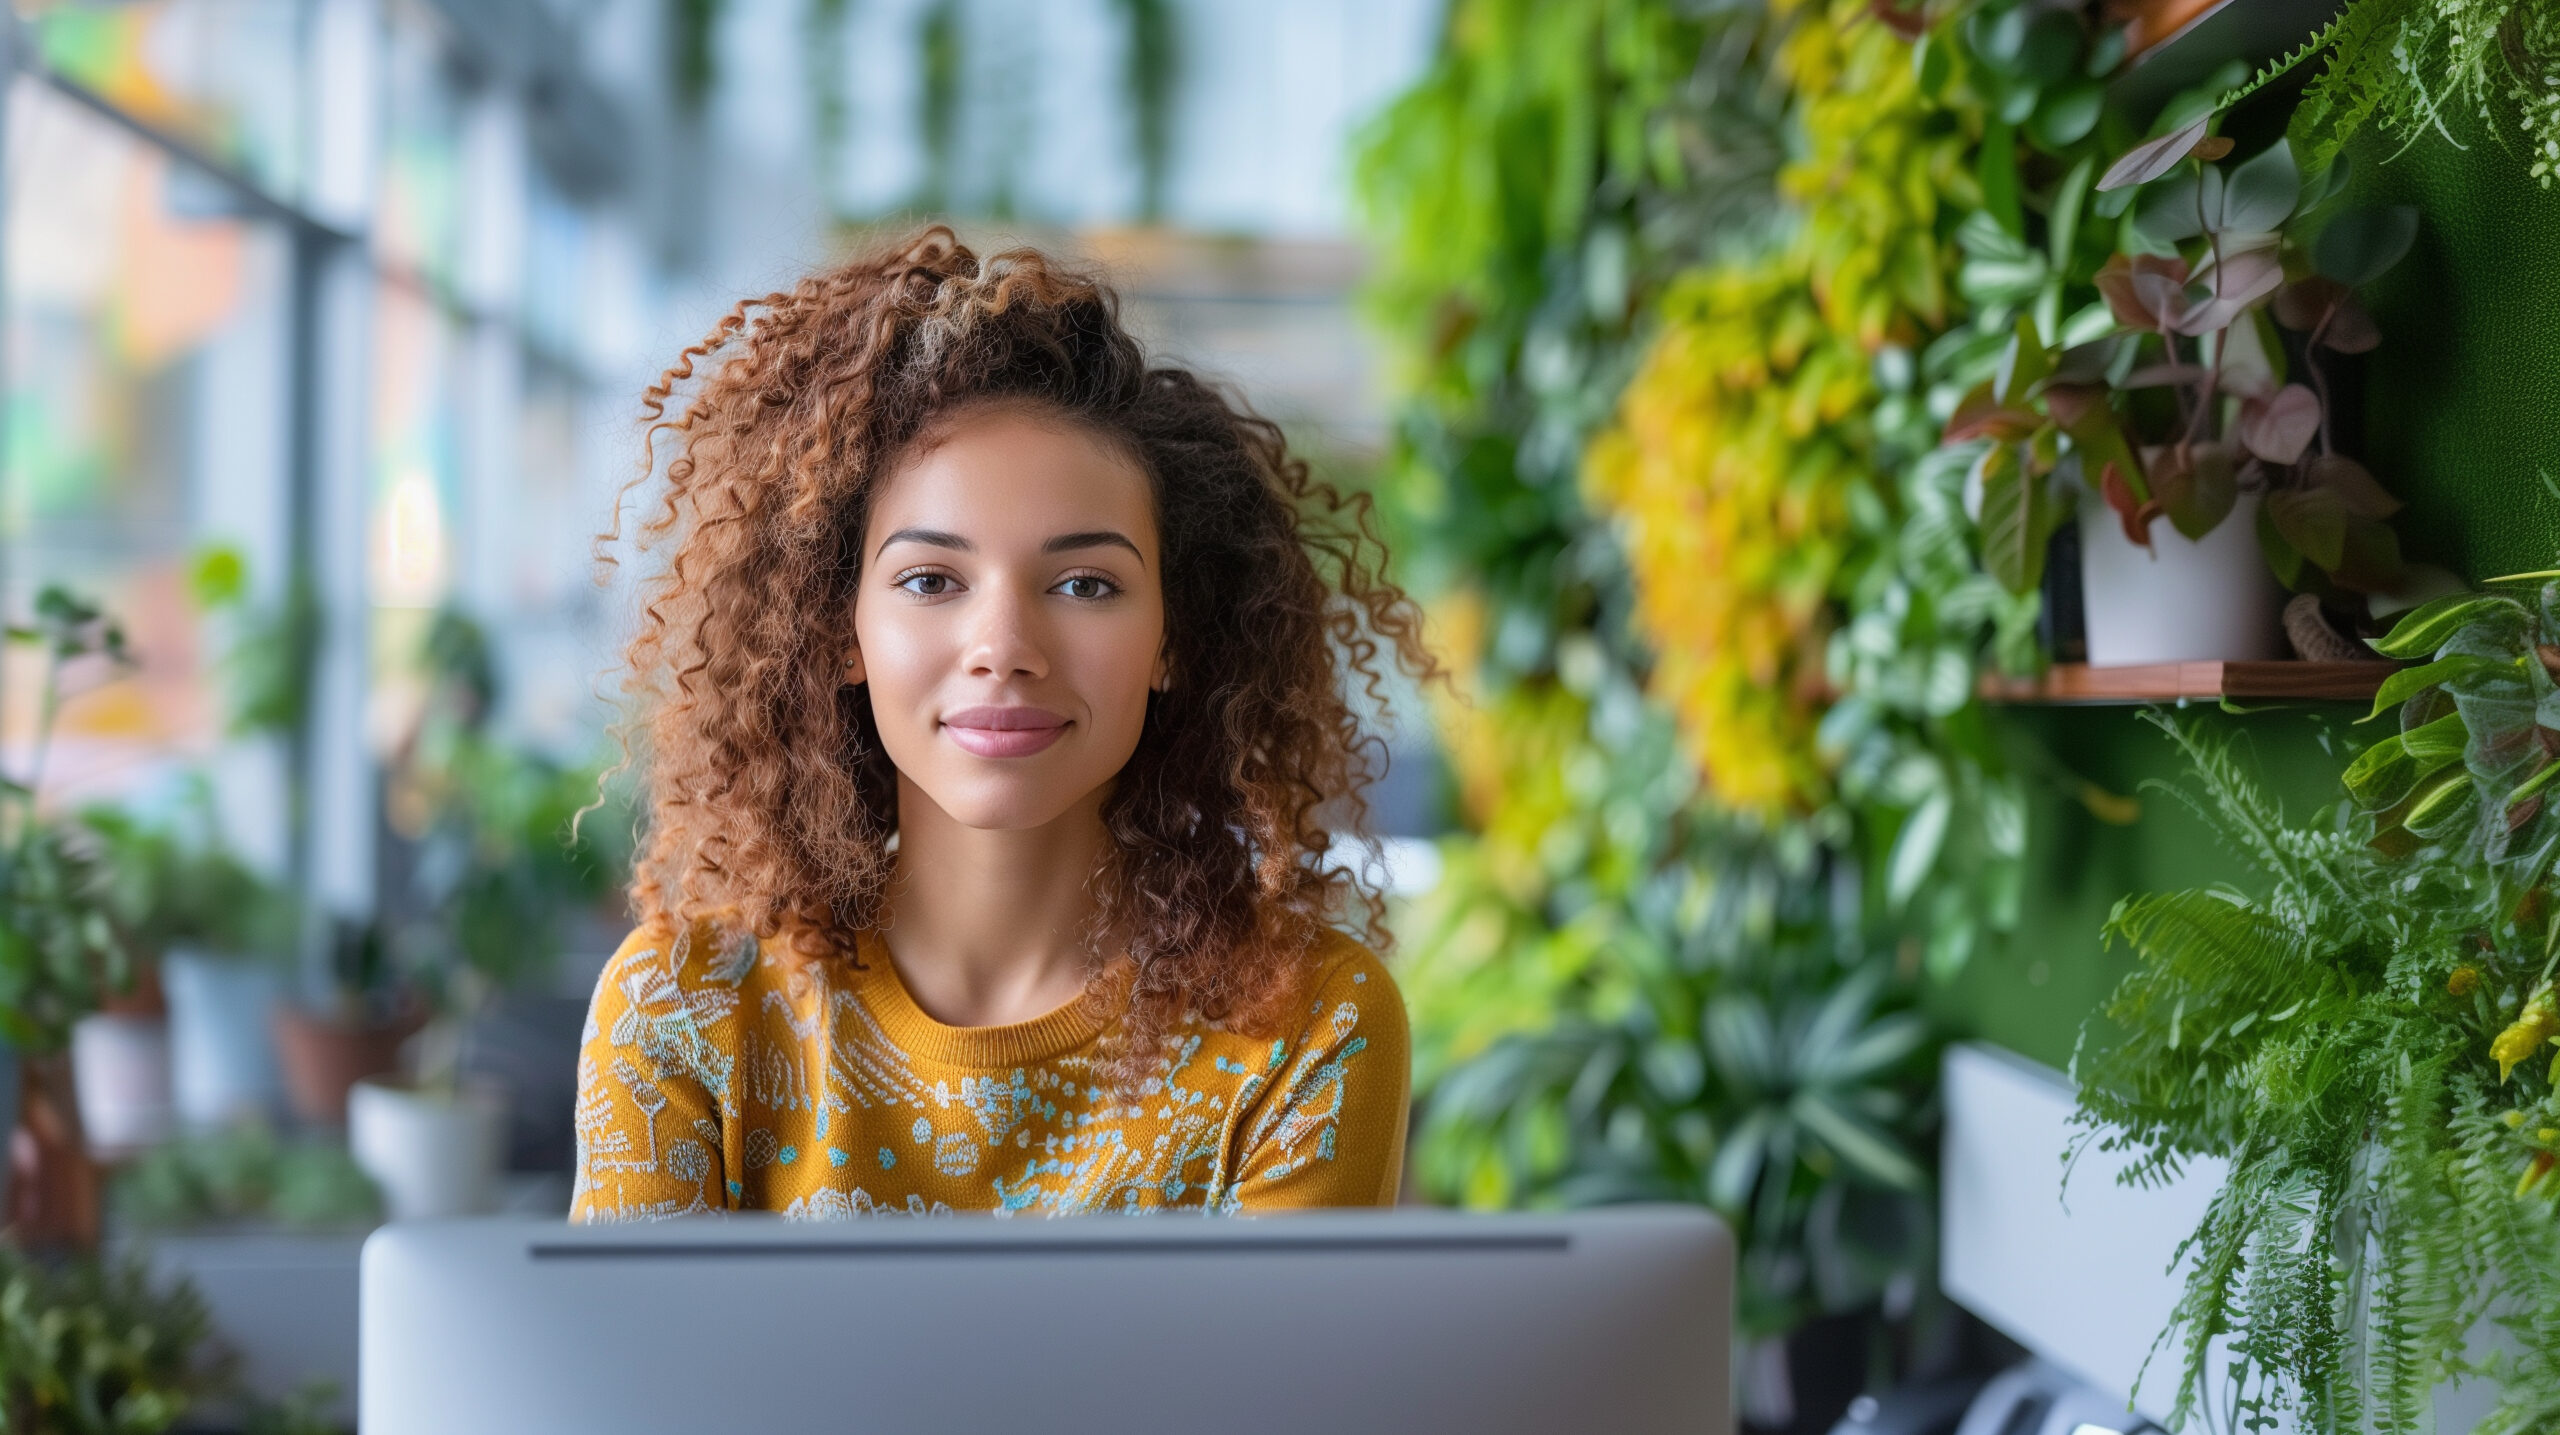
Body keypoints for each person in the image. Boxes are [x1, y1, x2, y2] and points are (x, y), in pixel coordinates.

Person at [570, 229, 1434, 1220]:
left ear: (1173, 640)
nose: (1005, 645)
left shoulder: (1308, 1021)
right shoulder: (685, 1008)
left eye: (1084, 583)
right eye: (931, 579)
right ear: (838, 628)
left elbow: (1282, 1383)